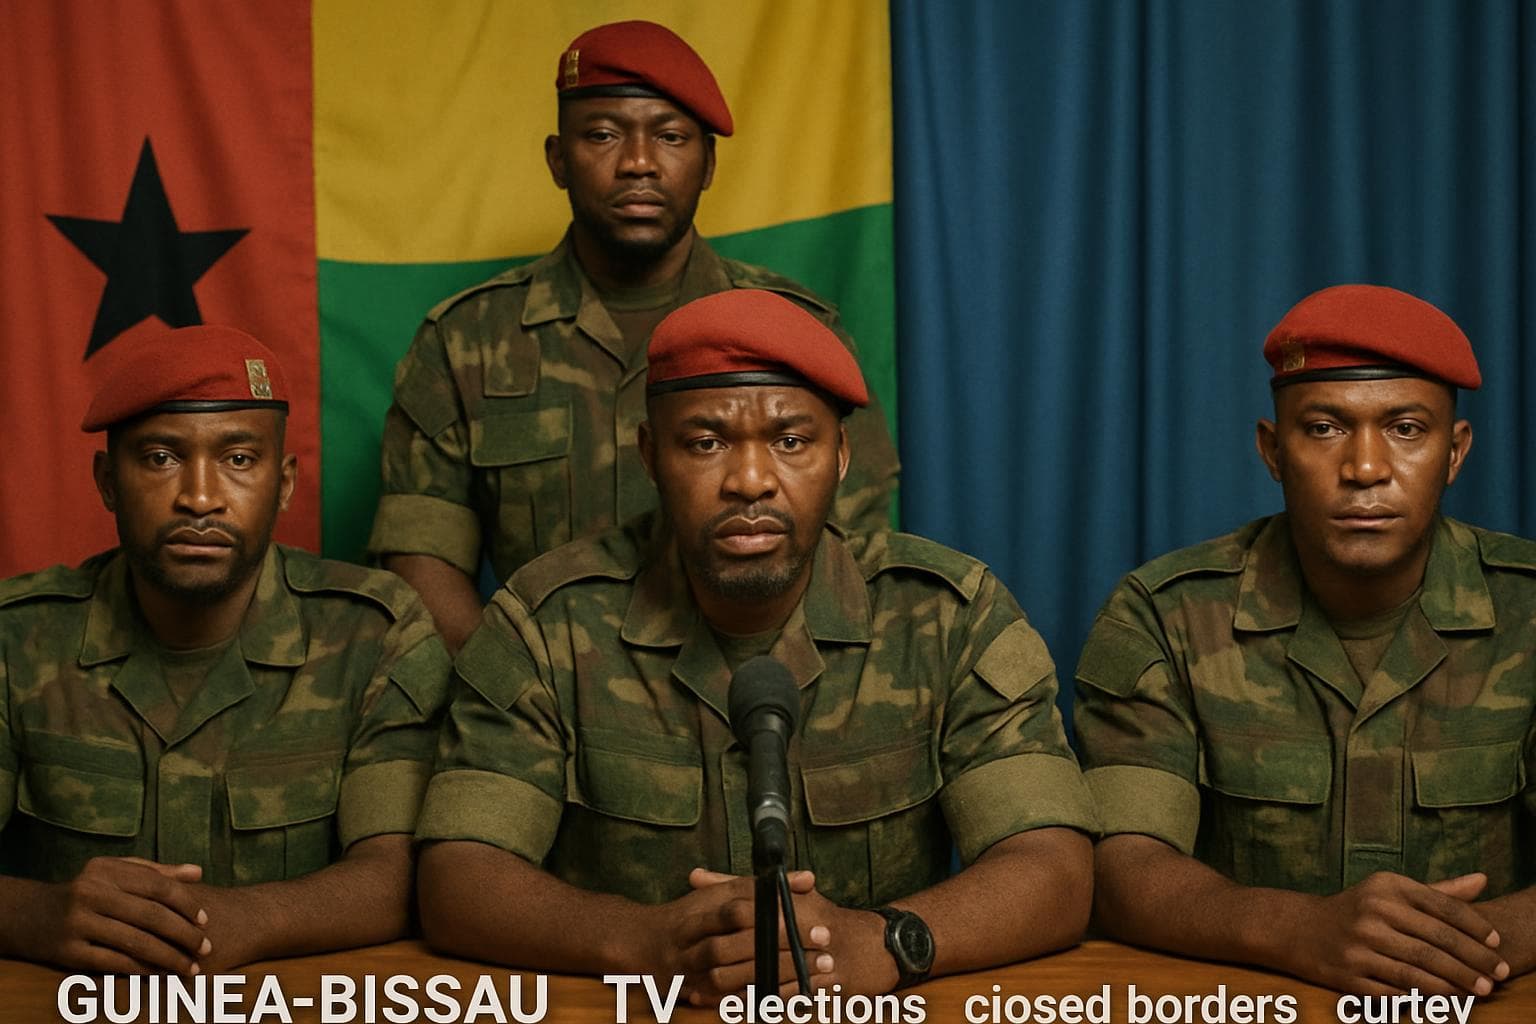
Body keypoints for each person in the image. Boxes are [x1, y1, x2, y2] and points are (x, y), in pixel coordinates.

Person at [415, 289, 1094, 1001]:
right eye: (705, 443)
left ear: (841, 456)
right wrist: (643, 941)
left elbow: (1055, 866)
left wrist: (887, 942)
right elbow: (459, 876)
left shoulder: (946, 616)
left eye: (791, 441)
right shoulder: (546, 623)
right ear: (651, 456)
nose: (749, 481)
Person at [367, 19, 901, 653]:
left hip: (758, 691)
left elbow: (853, 547)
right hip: (540, 697)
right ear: (558, 159)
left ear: (709, 163)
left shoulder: (797, 331)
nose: (639, 163)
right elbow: (422, 558)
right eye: (603, 134)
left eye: (670, 137)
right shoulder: (465, 342)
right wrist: (517, 690)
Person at [1074, 284, 1536, 996]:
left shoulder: (1528, 609)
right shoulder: (1168, 616)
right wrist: (1299, 930)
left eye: (1406, 428)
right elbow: (1121, 866)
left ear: (1454, 451)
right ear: (1273, 450)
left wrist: (1445, 953)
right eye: (1324, 428)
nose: (1365, 468)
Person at [0, 326, 450, 974]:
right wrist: (36, 915)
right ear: (107, 481)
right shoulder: (18, 639)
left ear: (285, 482)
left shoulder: (372, 635)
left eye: (239, 459)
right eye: (161, 457)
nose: (201, 498)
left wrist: (253, 920)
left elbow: (395, 874)